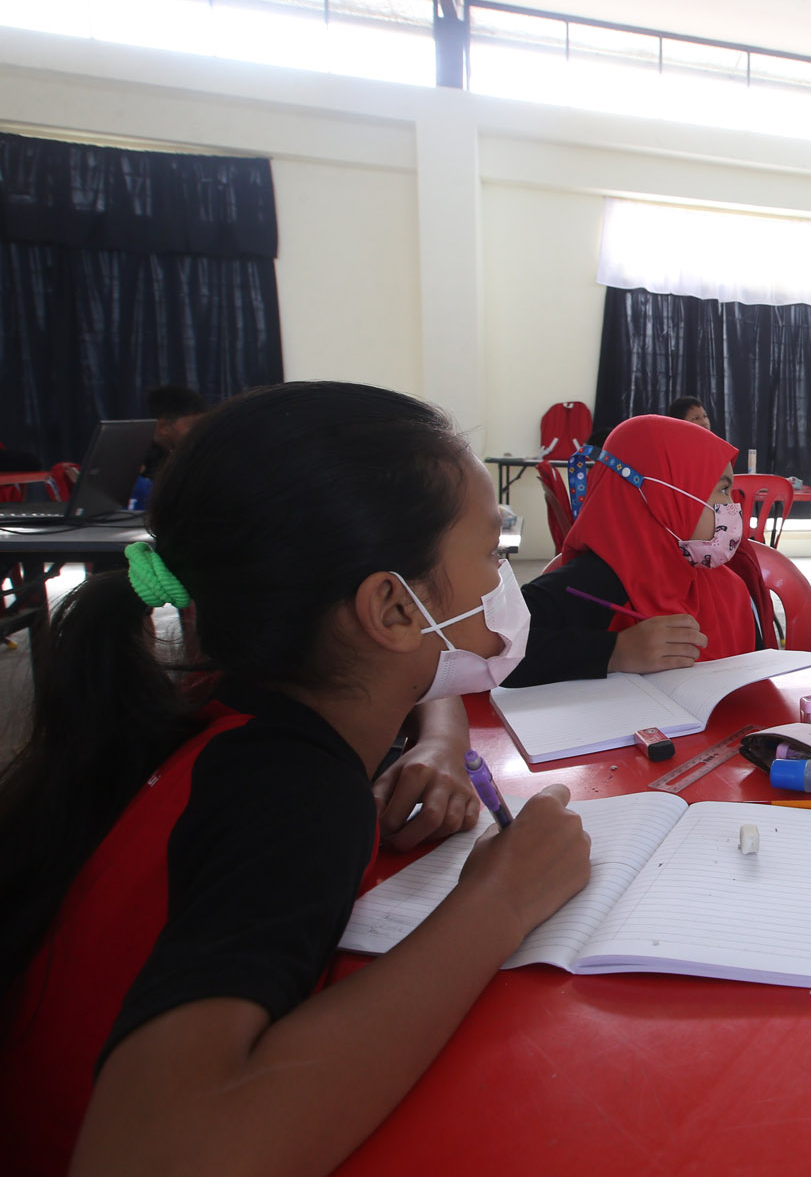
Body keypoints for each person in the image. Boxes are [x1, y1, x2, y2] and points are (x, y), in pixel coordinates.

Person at [0, 382, 592, 1176]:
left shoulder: (234, 704)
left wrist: (438, 736)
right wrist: (501, 900)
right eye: (492, 552)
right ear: (390, 608)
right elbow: (148, 1155)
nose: (504, 577)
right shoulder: (295, 794)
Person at [505, 414, 768, 687]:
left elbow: (757, 679)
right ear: (665, 495)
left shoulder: (730, 587)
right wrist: (614, 652)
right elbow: (497, 646)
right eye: (722, 489)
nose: (732, 506)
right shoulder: (596, 580)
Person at [142, 384, 209, 479]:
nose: (201, 433)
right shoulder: (140, 464)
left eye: (203, 426)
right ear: (164, 428)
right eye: (194, 427)